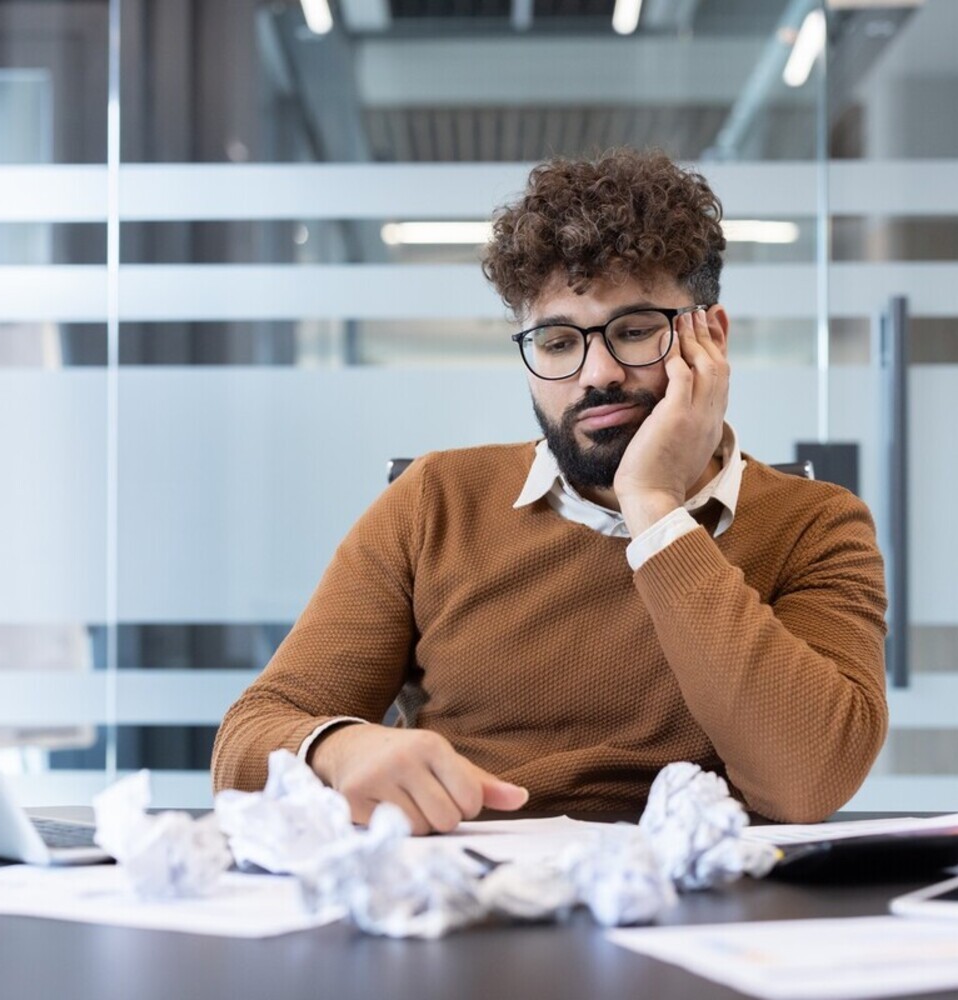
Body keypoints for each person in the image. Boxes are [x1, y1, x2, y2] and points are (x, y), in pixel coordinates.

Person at [211, 149, 887, 831]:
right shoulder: (434, 501)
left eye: (633, 331)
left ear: (708, 335)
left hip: (695, 900)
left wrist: (653, 507)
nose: (597, 373)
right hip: (470, 891)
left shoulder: (816, 524)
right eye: (559, 342)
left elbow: (808, 780)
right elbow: (247, 742)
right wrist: (339, 747)